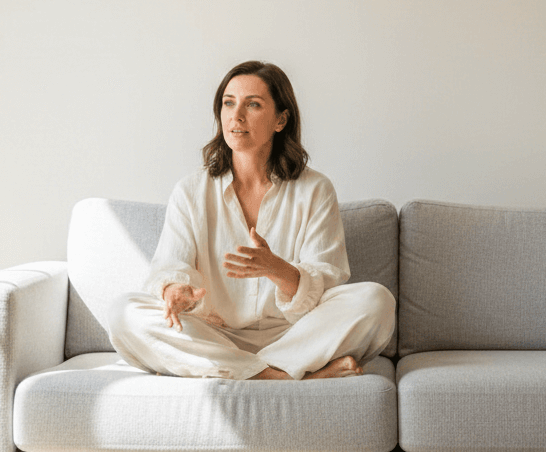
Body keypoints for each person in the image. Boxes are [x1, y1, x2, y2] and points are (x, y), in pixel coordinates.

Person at [108, 61, 395, 381]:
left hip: (297, 336)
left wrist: (276, 268)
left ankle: (238, 370)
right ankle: (279, 377)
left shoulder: (315, 189)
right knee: (124, 313)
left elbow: (326, 279)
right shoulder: (191, 190)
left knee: (375, 300)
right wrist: (176, 290)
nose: (236, 115)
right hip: (214, 335)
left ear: (280, 119)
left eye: (253, 104)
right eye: (228, 103)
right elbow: (170, 265)